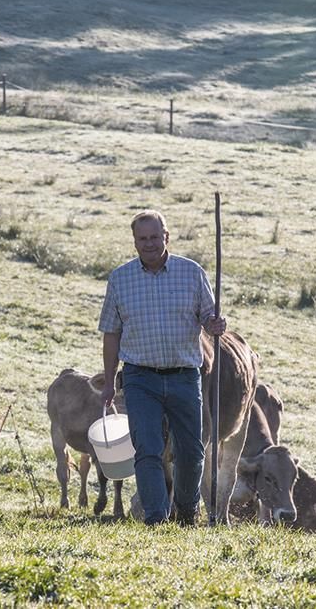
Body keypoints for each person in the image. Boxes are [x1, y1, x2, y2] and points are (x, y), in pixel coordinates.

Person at [98, 209, 227, 525]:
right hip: (140, 377)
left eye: (155, 237)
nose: (149, 244)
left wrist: (216, 324)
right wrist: (107, 382)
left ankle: (185, 512)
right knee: (148, 449)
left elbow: (209, 318)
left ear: (166, 237)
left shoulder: (191, 273)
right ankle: (155, 516)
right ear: (134, 242)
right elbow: (111, 332)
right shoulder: (120, 279)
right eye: (142, 239)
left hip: (184, 375)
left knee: (191, 453)